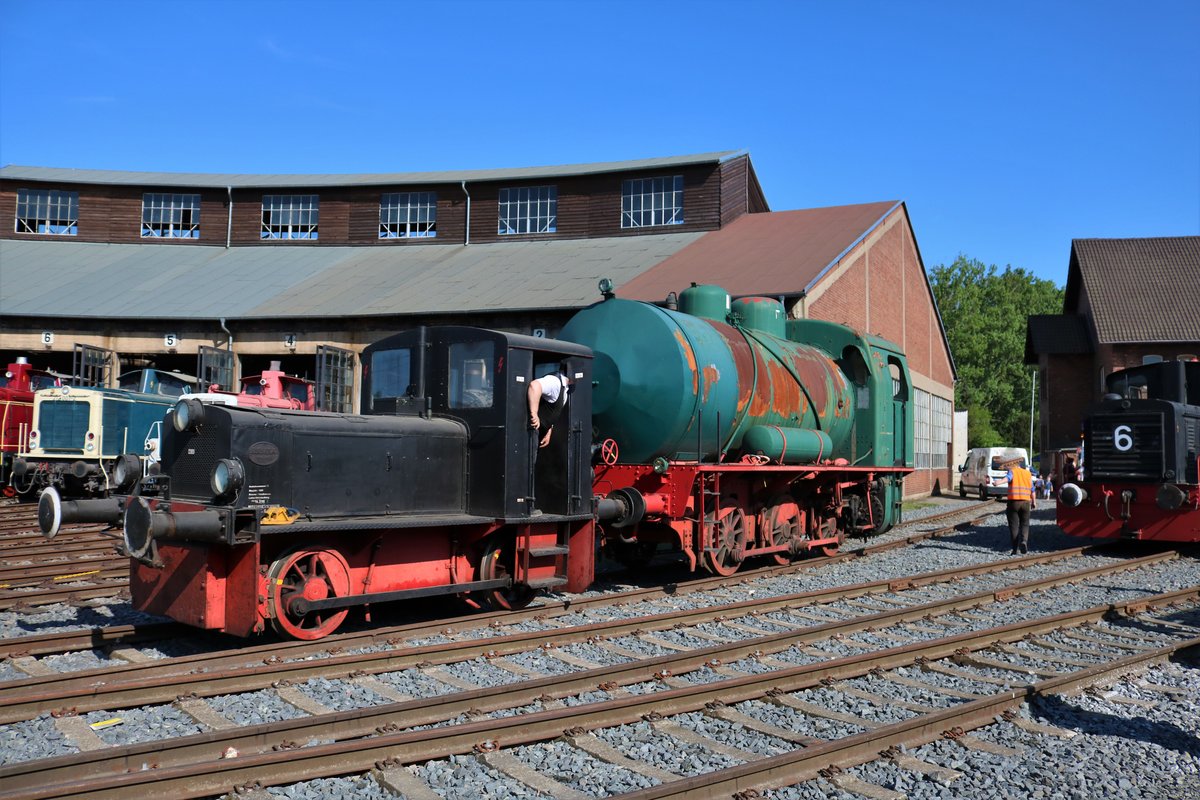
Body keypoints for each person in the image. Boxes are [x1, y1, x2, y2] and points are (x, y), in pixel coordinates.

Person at [527, 367, 572, 449]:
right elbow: (534, 386)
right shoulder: (555, 382)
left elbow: (552, 409)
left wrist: (549, 429)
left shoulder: (566, 387)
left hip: (541, 431)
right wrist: (534, 413)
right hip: (531, 430)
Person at [1006, 458, 1036, 555]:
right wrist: (1034, 502)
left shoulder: (1012, 472)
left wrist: (998, 482)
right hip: (1026, 502)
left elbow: (1008, 478)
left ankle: (1015, 550)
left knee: (1014, 526)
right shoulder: (1027, 473)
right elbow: (1032, 490)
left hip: (1013, 502)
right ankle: (1024, 541)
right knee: (1025, 524)